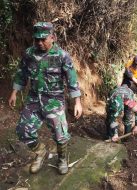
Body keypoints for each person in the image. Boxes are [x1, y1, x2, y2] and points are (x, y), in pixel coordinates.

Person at [8, 22, 83, 175]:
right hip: (34, 99)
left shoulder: (62, 56)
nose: (40, 43)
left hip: (54, 100)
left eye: (43, 39)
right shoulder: (29, 54)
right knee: (23, 130)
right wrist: (14, 92)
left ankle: (62, 158)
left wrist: (77, 102)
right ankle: (41, 153)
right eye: (37, 39)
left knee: (60, 134)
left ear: (53, 37)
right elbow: (21, 73)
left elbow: (72, 79)